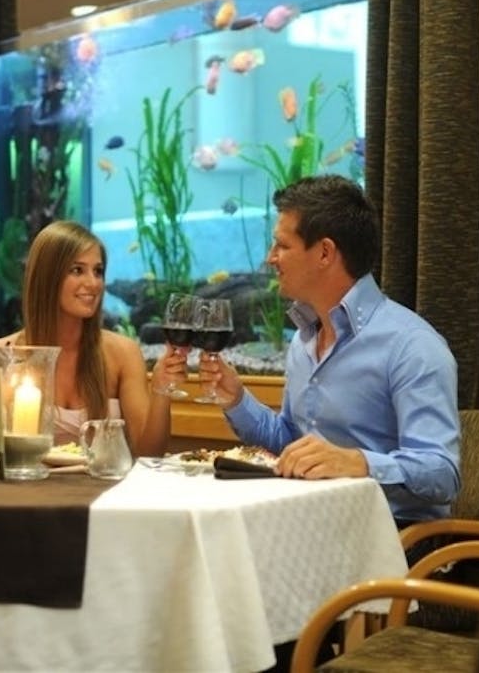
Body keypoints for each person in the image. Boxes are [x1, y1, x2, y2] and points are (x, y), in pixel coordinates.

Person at [188, 175, 460, 525]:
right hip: (311, 524)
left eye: (281, 245)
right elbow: (289, 442)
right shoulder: (303, 340)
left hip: (391, 537)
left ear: (325, 253)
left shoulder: (412, 346)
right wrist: (236, 400)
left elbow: (443, 474)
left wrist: (359, 462)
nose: (270, 258)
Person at [0, 220, 171, 457]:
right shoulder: (3, 354)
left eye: (98, 271)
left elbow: (149, 455)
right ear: (47, 277)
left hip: (105, 481)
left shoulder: (123, 353)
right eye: (77, 270)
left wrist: (161, 389)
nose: (93, 283)